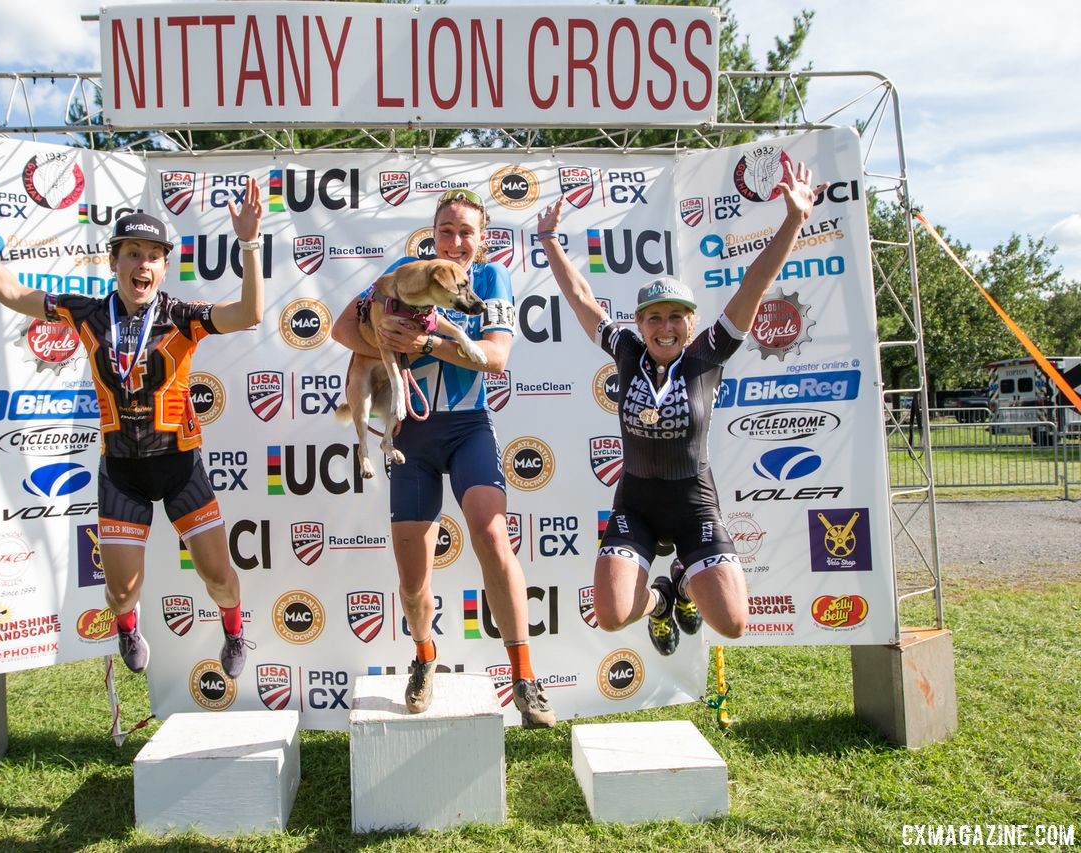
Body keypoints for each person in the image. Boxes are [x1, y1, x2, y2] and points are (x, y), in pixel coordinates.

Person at [0, 171, 264, 678]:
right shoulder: (86, 313)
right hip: (121, 470)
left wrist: (250, 242)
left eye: (152, 255)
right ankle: (127, 626)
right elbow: (11, 292)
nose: (142, 263)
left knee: (219, 577)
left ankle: (234, 630)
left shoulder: (182, 316)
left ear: (165, 267)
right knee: (122, 589)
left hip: (180, 466)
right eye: (132, 253)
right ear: (114, 262)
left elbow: (251, 312)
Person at [535, 158, 821, 655]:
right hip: (637, 505)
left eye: (675, 318)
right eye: (654, 319)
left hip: (694, 506)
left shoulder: (709, 352)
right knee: (612, 615)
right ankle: (663, 597)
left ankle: (686, 582)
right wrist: (549, 240)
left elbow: (753, 284)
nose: (664, 327)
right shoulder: (625, 351)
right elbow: (581, 296)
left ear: (690, 324)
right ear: (641, 324)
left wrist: (793, 220)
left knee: (732, 624)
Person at [332, 187, 555, 728]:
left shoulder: (493, 280)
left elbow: (496, 358)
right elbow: (342, 329)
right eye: (447, 231)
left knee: (492, 534)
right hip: (410, 436)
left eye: (466, 232)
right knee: (413, 578)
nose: (456, 241)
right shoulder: (406, 273)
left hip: (468, 428)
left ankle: (524, 678)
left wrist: (426, 343)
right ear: (434, 236)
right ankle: (424, 657)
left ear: (482, 241)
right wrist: (377, 331)